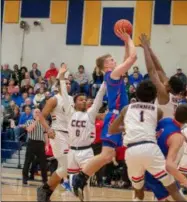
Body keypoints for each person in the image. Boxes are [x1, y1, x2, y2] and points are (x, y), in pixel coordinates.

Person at [71, 28, 137, 201]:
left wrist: (125, 43)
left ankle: (81, 178)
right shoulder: (113, 74)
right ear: (106, 66)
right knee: (106, 155)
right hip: (114, 117)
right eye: (111, 60)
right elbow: (132, 58)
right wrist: (130, 38)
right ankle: (79, 178)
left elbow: (125, 59)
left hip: (119, 116)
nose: (114, 61)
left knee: (108, 157)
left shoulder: (114, 73)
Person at [58, 64, 106, 200]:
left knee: (84, 184)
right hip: (72, 152)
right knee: (73, 184)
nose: (84, 101)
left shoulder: (90, 114)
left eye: (85, 100)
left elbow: (99, 98)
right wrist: (62, 76)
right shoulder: (70, 112)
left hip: (86, 152)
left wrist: (105, 80)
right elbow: (64, 95)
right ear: (74, 103)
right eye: (81, 100)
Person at [37, 67, 74, 202]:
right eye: (66, 83)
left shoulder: (71, 99)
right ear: (59, 86)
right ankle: (47, 189)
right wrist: (48, 129)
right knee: (66, 165)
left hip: (70, 135)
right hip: (57, 134)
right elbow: (41, 116)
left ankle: (46, 191)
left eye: (70, 83)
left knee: (64, 167)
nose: (68, 85)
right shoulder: (54, 99)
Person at [139, 34, 184, 118]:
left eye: (168, 80)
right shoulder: (172, 93)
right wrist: (149, 49)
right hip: (170, 125)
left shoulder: (164, 94)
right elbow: (159, 70)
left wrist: (145, 48)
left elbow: (151, 71)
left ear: (169, 86)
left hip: (164, 128)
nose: (166, 79)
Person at [22, 109, 49, 185]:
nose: (37, 113)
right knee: (28, 161)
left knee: (43, 163)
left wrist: (47, 145)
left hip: (40, 144)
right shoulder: (29, 121)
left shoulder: (44, 123)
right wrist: (36, 121)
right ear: (33, 114)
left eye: (39, 112)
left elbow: (45, 134)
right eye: (36, 112)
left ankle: (45, 179)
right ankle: (25, 178)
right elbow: (29, 129)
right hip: (32, 142)